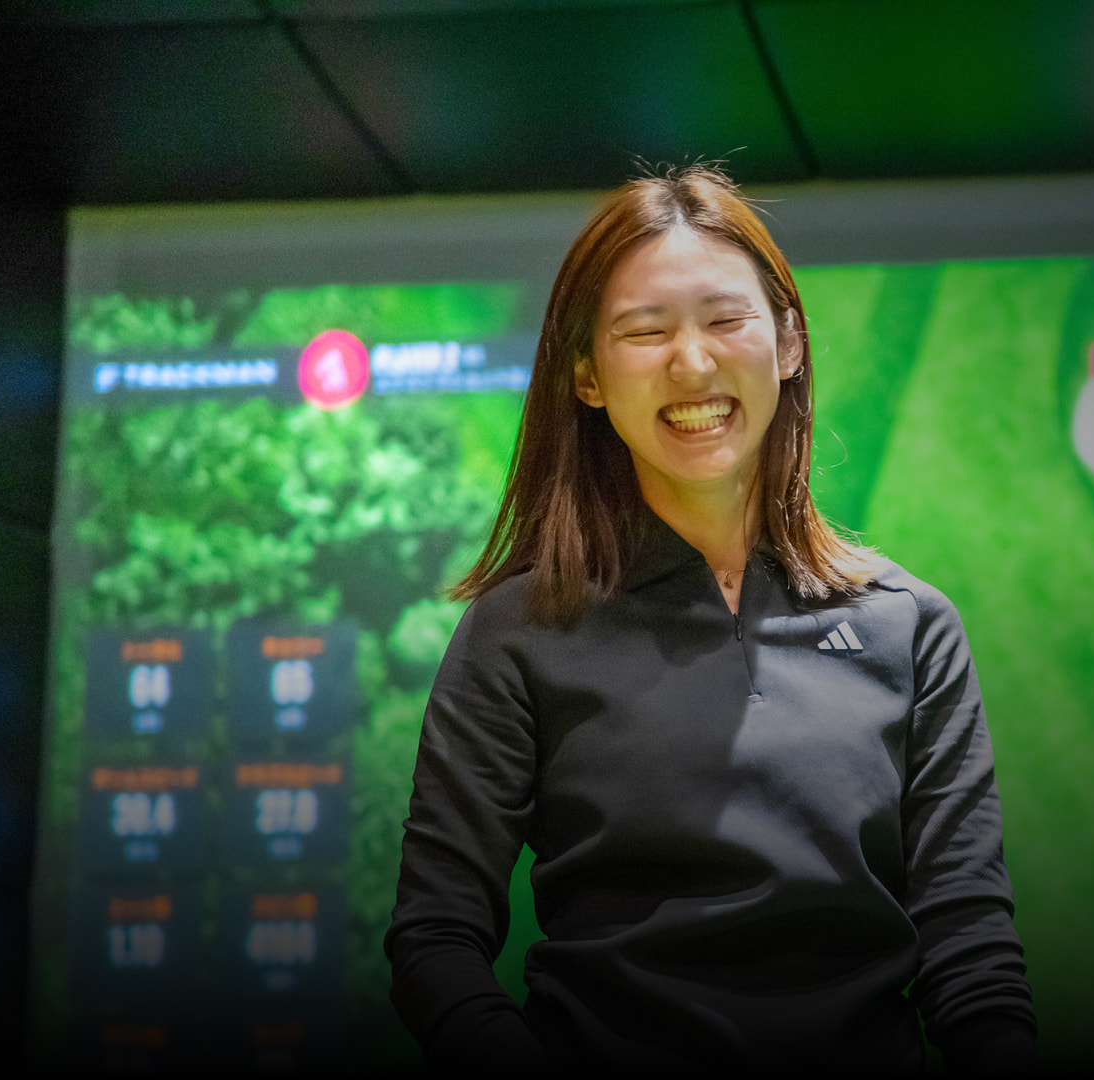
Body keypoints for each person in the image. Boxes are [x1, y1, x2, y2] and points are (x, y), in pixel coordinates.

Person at [384, 165, 1035, 1074]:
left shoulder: (909, 627)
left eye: (726, 320)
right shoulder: (518, 632)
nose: (692, 363)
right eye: (645, 332)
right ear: (587, 377)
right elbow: (435, 942)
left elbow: (970, 956)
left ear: (789, 344)